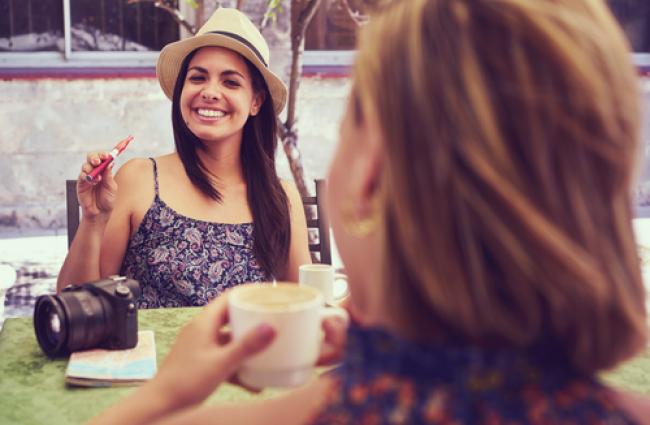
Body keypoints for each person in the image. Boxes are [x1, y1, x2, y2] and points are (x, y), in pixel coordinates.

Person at [90, 0, 650, 423]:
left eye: (349, 123)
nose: (210, 93)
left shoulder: (345, 405)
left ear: (368, 176)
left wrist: (166, 394)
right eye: (199, 76)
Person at [56, 8, 311, 307]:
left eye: (230, 82)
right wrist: (94, 219)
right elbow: (76, 304)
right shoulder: (138, 179)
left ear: (255, 101)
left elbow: (305, 306)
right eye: (198, 78)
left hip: (244, 354)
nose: (210, 92)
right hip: (152, 354)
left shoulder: (280, 197)